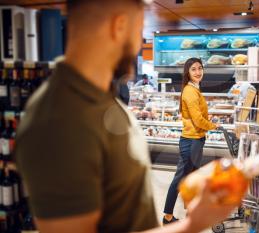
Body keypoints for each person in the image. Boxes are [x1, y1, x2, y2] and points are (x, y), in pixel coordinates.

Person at [15, 1, 240, 233]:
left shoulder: (104, 101)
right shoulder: (58, 121)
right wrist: (194, 225)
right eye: (140, 31)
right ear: (119, 25)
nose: (140, 45)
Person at [163, 57, 220, 224]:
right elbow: (197, 120)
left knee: (193, 178)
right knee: (180, 179)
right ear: (188, 72)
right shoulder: (190, 91)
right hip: (191, 141)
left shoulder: (195, 89)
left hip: (196, 139)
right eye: (194, 69)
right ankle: (167, 216)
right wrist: (213, 126)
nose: (198, 72)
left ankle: (192, 213)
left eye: (200, 68)